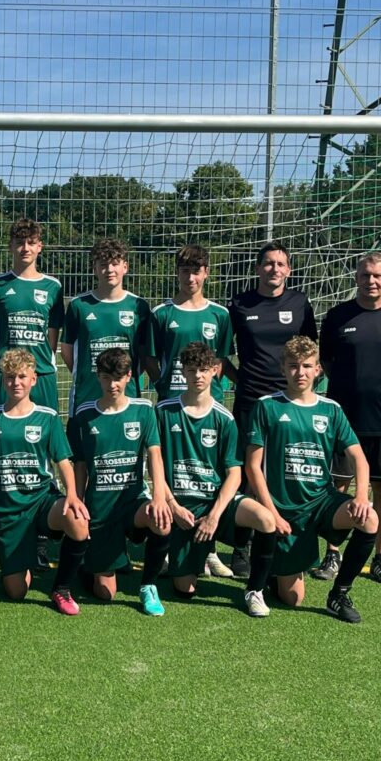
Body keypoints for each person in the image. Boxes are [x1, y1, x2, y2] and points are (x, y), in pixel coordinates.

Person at [245, 336, 379, 623]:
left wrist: (361, 496)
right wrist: (272, 512)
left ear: (318, 370)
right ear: (282, 368)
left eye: (307, 366)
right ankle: (274, 570)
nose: (300, 372)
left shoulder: (331, 409)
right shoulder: (267, 406)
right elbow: (253, 467)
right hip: (285, 509)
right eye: (293, 366)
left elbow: (359, 458)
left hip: (321, 502)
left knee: (369, 519)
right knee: (292, 599)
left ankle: (339, 594)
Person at [156, 342, 279, 618]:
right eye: (191, 370)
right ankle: (194, 556)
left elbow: (235, 473)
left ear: (215, 371)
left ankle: (255, 591)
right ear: (182, 372)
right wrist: (173, 507)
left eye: (203, 369)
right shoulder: (164, 411)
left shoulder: (224, 418)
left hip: (217, 504)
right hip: (183, 508)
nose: (197, 376)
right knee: (184, 589)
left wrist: (214, 515)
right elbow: (156, 468)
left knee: (265, 519)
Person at [318, 252, 381, 585]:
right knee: (339, 485)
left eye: (377, 275)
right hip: (342, 417)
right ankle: (333, 553)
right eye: (364, 275)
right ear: (356, 278)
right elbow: (326, 362)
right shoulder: (337, 316)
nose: (370, 281)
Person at [224, 241, 317, 577]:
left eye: (280, 264)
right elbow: (222, 354)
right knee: (248, 474)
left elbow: (311, 351)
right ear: (257, 268)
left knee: (286, 471)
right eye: (267, 263)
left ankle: (287, 543)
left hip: (289, 402)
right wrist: (242, 380)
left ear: (288, 270)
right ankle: (241, 546)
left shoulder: (300, 304)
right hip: (251, 402)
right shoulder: (239, 304)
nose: (274, 269)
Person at [0, 348, 90, 614]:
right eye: (10, 377)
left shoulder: (47, 416)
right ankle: (19, 557)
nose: (16, 383)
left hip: (42, 500)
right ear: (3, 380)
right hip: (8, 511)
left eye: (22, 377)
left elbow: (63, 462)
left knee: (78, 520)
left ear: (34, 379)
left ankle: (61, 589)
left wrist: (72, 496)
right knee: (16, 591)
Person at [0, 217, 65, 572]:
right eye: (19, 242)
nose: (25, 248)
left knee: (42, 456)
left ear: (40, 246)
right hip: (6, 377)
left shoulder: (53, 287)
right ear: (11, 246)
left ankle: (40, 538)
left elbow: (52, 338)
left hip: (40, 379)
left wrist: (35, 368)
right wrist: (5, 368)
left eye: (31, 242)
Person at [146, 243, 234, 578]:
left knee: (207, 474)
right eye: (185, 271)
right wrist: (163, 384)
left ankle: (209, 549)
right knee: (172, 472)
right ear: (177, 273)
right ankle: (168, 544)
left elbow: (222, 359)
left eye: (196, 271)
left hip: (210, 406)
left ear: (206, 273)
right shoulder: (162, 313)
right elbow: (150, 357)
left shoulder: (219, 315)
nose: (190, 277)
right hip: (172, 406)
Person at [66, 348, 171, 616]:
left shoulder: (143, 410)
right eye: (106, 377)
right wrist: (78, 501)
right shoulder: (84, 414)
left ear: (128, 377)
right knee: (105, 593)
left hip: (132, 503)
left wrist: (159, 497)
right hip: (100, 509)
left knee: (161, 520)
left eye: (117, 377)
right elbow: (80, 465)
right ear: (98, 377)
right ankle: (89, 566)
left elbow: (155, 455)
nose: (112, 384)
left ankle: (148, 586)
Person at [61, 238, 152, 417]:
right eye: (103, 265)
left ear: (125, 267)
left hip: (127, 395)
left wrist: (121, 376)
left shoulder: (139, 306)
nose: (109, 270)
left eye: (115, 264)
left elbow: (143, 355)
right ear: (94, 268)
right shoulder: (79, 305)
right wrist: (88, 375)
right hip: (87, 396)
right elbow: (66, 350)